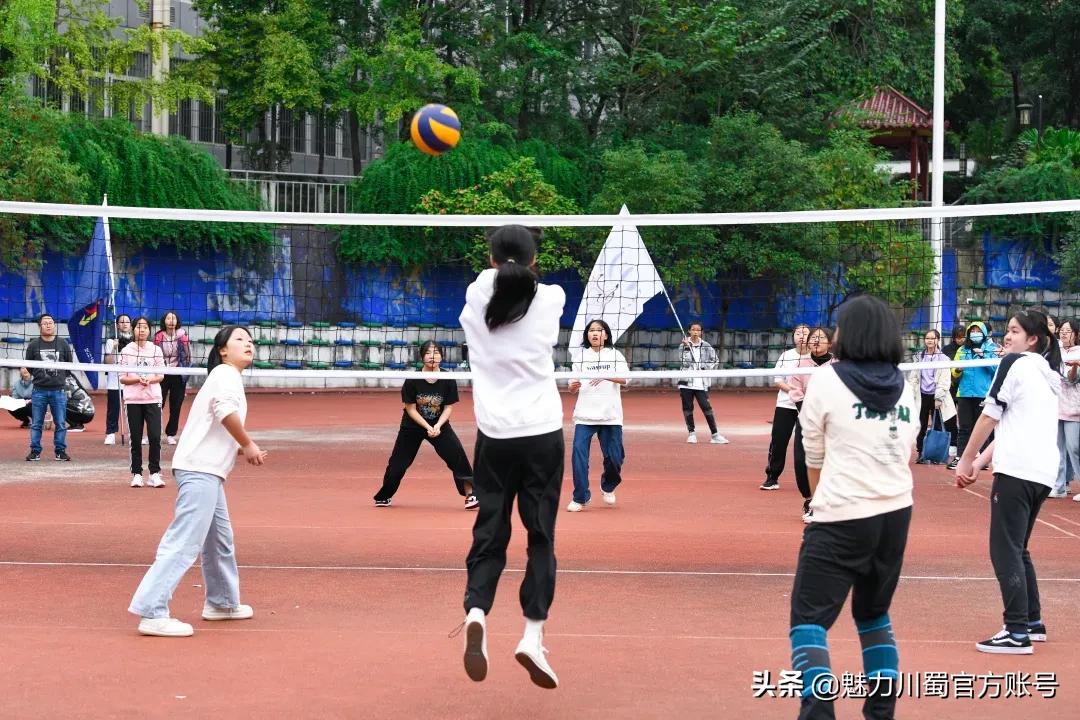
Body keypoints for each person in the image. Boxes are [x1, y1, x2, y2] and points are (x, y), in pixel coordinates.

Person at [790, 295, 918, 720]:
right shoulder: (904, 385)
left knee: (808, 621)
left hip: (842, 513)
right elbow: (907, 451)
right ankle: (881, 714)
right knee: (874, 614)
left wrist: (817, 504)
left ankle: (817, 714)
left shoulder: (827, 379)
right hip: (896, 514)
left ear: (851, 332)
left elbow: (812, 453)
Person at [458, 225, 566, 689]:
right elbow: (521, 279)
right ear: (534, 259)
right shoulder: (552, 298)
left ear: (490, 259)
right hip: (542, 434)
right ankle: (532, 636)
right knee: (540, 536)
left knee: (491, 528)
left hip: (495, 436)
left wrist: (500, 260)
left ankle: (476, 612)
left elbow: (495, 278)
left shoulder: (475, 295)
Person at [128, 325, 267, 637]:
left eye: (250, 340)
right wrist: (247, 444)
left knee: (219, 540)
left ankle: (222, 603)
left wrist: (238, 446)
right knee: (185, 540)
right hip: (199, 470)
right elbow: (224, 411)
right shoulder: (225, 374)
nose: (248, 344)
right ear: (222, 350)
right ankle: (152, 612)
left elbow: (217, 417)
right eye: (240, 339)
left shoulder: (227, 376)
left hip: (208, 470)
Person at [955, 310, 1061, 654]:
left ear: (1032, 339)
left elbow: (990, 415)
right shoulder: (1048, 373)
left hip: (1018, 471)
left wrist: (965, 458)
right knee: (1018, 546)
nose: (1007, 337)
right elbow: (1011, 424)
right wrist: (979, 463)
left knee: (1004, 549)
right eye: (1008, 331)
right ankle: (1031, 621)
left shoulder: (1014, 363)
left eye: (1015, 331)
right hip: (1041, 473)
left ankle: (1016, 631)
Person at [373, 340, 476, 509]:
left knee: (457, 456)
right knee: (398, 464)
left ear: (441, 356)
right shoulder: (413, 379)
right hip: (412, 426)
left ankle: (471, 494)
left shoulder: (447, 378)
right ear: (422, 357)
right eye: (428, 353)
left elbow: (448, 407)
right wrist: (427, 427)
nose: (432, 356)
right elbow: (410, 409)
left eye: (436, 352)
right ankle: (385, 496)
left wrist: (438, 426)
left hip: (439, 425)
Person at [567, 319, 629, 512]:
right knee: (578, 456)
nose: (595, 333)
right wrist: (573, 386)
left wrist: (605, 375)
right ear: (587, 335)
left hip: (611, 415)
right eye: (591, 330)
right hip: (584, 415)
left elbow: (626, 379)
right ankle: (580, 497)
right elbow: (571, 387)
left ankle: (608, 485)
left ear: (606, 335)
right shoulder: (580, 357)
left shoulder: (615, 355)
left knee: (615, 459)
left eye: (599, 330)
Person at [788, 327, 837, 523]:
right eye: (813, 337)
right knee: (802, 460)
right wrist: (808, 412)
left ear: (830, 343)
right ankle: (810, 499)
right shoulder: (801, 364)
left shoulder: (838, 365)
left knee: (831, 461)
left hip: (832, 420)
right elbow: (795, 391)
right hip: (807, 418)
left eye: (821, 337)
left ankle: (825, 502)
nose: (816, 340)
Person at [761, 324, 810, 490]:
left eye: (805, 333)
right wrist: (793, 390)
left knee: (807, 444)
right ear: (793, 337)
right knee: (778, 441)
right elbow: (778, 380)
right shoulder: (786, 356)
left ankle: (810, 481)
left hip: (808, 406)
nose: (801, 336)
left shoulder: (815, 357)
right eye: (798, 333)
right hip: (786, 405)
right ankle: (772, 477)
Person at [121, 316, 165, 488]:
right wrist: (137, 380)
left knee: (154, 436)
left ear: (149, 330)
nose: (142, 330)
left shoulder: (156, 350)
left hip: (153, 398)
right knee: (135, 438)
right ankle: (137, 473)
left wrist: (150, 380)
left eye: (145, 327)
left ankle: (154, 473)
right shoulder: (126, 350)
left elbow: (161, 375)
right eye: (139, 327)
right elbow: (122, 378)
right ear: (133, 330)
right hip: (133, 400)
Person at [949, 321, 1000, 470]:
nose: (975, 333)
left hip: (982, 393)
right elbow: (954, 372)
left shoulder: (991, 349)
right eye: (973, 331)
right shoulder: (962, 350)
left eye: (978, 331)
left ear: (984, 333)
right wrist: (958, 369)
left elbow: (995, 370)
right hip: (964, 393)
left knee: (982, 427)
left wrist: (983, 356)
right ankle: (959, 457)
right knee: (964, 427)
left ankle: (983, 459)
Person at [24, 313, 73, 462]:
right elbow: (29, 366)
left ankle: (60, 451)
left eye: (51, 322)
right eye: (45, 323)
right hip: (39, 390)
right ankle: (35, 451)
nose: (48, 325)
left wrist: (58, 379)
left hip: (59, 390)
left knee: (61, 423)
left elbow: (69, 366)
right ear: (40, 326)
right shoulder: (33, 345)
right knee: (36, 423)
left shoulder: (63, 343)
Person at [908, 329, 957, 463]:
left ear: (937, 340)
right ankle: (921, 453)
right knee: (921, 425)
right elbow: (914, 377)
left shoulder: (943, 359)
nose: (929, 340)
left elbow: (945, 380)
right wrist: (912, 392)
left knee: (938, 426)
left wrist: (938, 397)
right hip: (922, 396)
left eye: (932, 338)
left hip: (936, 397)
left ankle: (937, 454)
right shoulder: (919, 357)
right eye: (927, 338)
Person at [678, 322, 727, 444]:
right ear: (689, 331)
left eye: (698, 330)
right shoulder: (683, 345)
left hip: (701, 383)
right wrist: (686, 348)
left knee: (707, 408)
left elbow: (715, 360)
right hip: (686, 382)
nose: (696, 332)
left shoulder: (706, 345)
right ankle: (691, 433)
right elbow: (684, 363)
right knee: (688, 408)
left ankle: (715, 435)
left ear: (701, 332)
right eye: (693, 329)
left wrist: (704, 367)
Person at [1051, 319, 1080, 499]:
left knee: (1074, 448)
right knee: (1057, 449)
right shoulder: (1056, 351)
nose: (1063, 333)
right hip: (1056, 406)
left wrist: (1075, 366)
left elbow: (1072, 380)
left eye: (1068, 331)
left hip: (1074, 408)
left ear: (1076, 334)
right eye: (1062, 330)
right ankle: (1059, 486)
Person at [154, 310, 191, 445]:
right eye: (168, 318)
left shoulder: (182, 336)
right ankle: (154, 432)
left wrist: (185, 372)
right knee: (158, 404)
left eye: (173, 318)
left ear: (177, 321)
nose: (171, 321)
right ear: (164, 321)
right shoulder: (158, 337)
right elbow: (154, 355)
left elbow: (188, 356)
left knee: (176, 406)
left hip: (178, 374)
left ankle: (171, 434)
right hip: (162, 373)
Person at [103, 314, 133, 445]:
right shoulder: (111, 341)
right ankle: (110, 433)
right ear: (117, 325)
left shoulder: (135, 341)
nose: (124, 324)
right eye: (121, 322)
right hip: (114, 381)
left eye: (127, 322)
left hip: (131, 379)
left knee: (132, 408)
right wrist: (114, 348)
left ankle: (133, 433)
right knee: (113, 408)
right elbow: (108, 362)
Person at [940, 325, 967, 453]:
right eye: (958, 337)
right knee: (949, 416)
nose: (960, 339)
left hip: (963, 388)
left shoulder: (968, 349)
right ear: (953, 337)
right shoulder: (946, 350)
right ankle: (953, 442)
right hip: (950, 388)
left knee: (964, 418)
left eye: (963, 337)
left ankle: (963, 444)